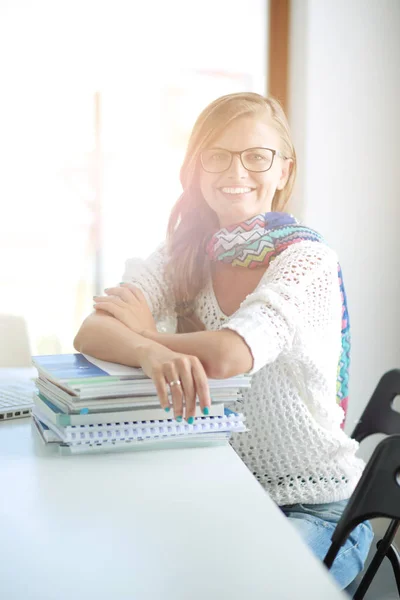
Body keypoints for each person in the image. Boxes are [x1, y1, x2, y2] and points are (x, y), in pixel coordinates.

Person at [74, 92, 373, 589]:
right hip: (222, 488)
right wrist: (150, 351)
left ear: (283, 171)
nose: (237, 171)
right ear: (196, 169)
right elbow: (92, 330)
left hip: (316, 508)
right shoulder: (184, 253)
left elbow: (232, 355)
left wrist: (147, 331)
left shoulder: (306, 260)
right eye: (218, 155)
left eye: (257, 156)